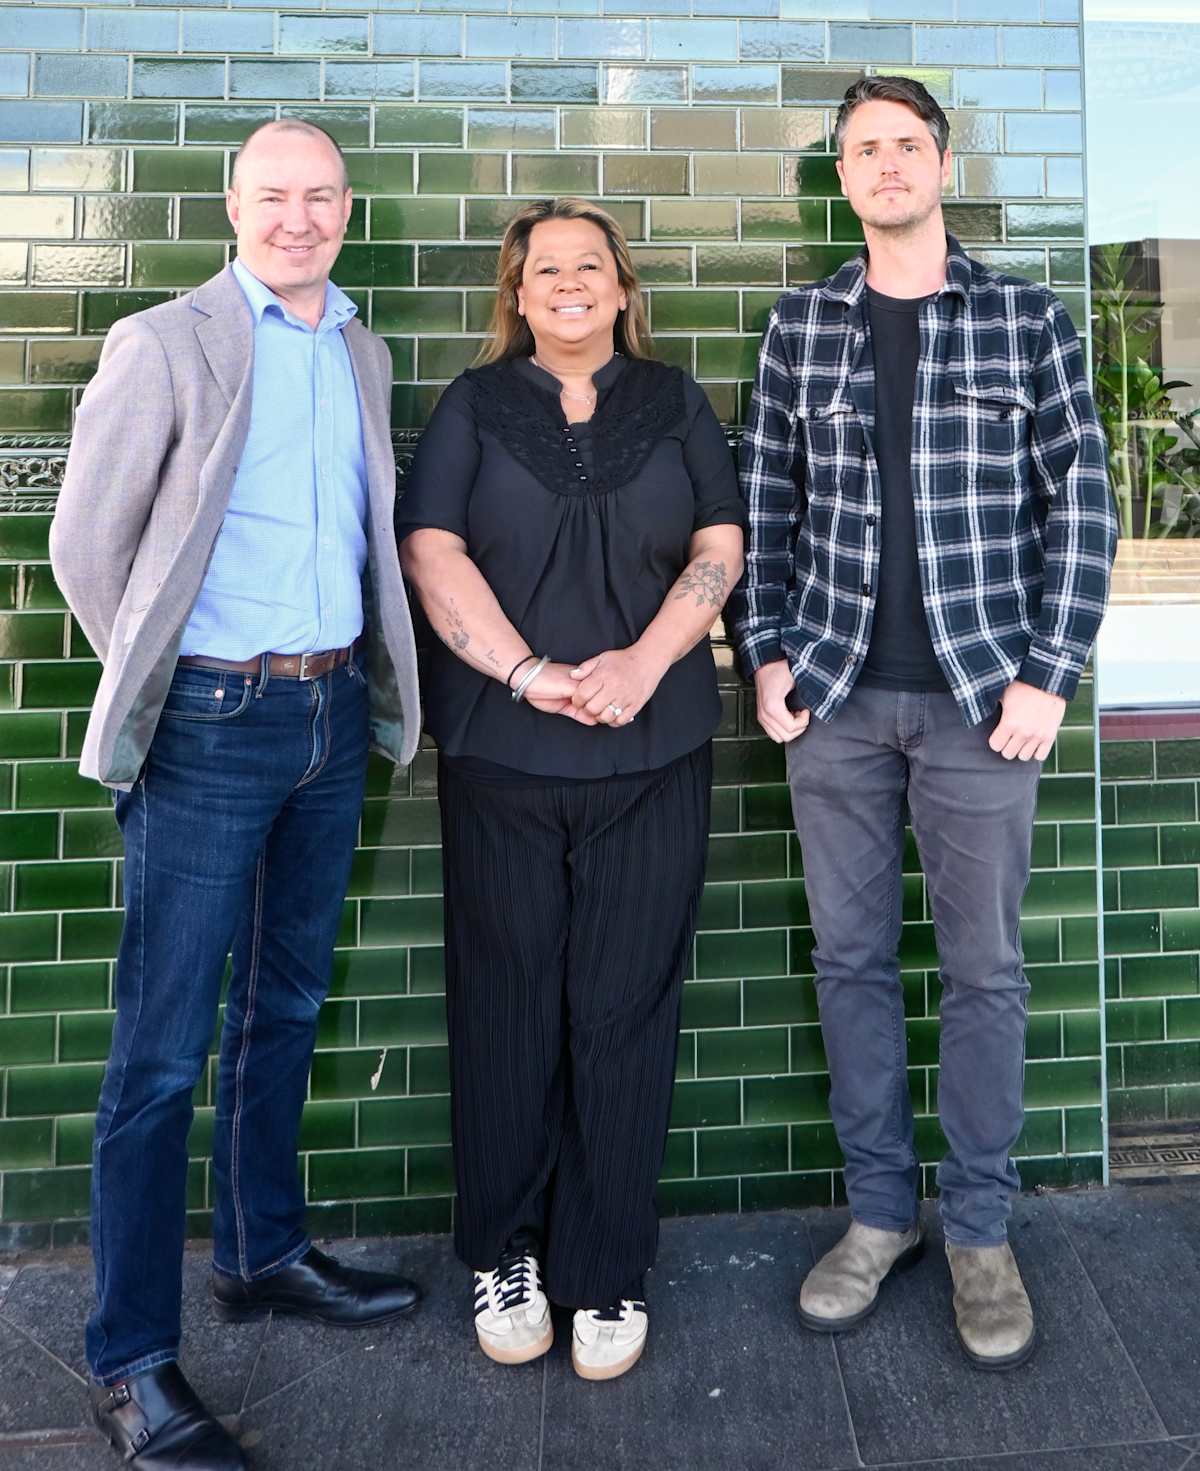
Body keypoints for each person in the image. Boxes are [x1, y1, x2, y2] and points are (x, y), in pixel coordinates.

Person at [49, 119, 422, 1470]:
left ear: (347, 209)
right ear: (232, 204)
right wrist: (173, 675)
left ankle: (262, 1253)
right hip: (211, 722)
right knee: (160, 1053)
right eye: (274, 195)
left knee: (286, 1004)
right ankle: (130, 1362)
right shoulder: (166, 342)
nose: (297, 217)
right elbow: (86, 545)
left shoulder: (360, 348)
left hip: (329, 716)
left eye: (321, 196)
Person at [728, 76, 1117, 1371]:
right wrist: (764, 656)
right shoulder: (802, 325)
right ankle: (882, 1213)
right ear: (842, 177)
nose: (887, 164)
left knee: (983, 970)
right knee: (850, 962)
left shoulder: (1027, 318)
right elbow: (763, 503)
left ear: (944, 163)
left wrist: (1050, 671)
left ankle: (983, 1232)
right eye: (864, 149)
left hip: (981, 703)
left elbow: (1084, 501)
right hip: (834, 700)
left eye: (906, 144)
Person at [397, 197, 745, 1382]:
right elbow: (430, 547)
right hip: (501, 753)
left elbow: (721, 543)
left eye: (589, 265)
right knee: (505, 1008)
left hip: (654, 753)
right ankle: (506, 1253)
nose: (568, 283)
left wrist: (645, 664)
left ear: (623, 286)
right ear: (518, 293)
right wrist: (527, 672)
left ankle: (608, 1267)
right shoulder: (473, 404)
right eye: (545, 269)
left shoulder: (676, 401)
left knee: (624, 1011)